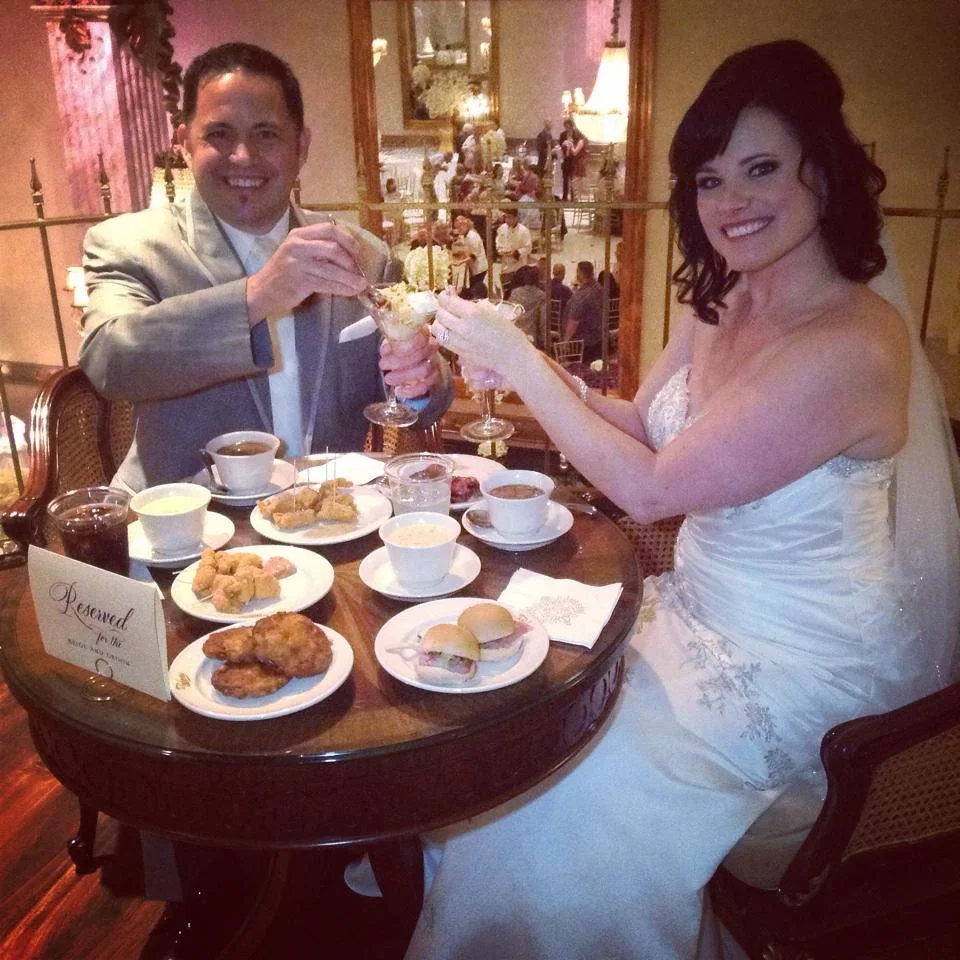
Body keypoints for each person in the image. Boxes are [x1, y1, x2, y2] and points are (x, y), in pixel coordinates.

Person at [412, 40, 960, 959]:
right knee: (501, 726)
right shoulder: (728, 300)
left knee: (549, 808)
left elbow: (652, 487)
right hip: (690, 606)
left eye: (760, 170)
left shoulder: (856, 347)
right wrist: (545, 372)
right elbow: (646, 423)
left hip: (797, 662)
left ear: (821, 170)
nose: (731, 204)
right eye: (709, 180)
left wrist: (516, 362)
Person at [79, 43, 451, 494]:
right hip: (186, 528)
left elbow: (414, 399)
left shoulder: (362, 253)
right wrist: (257, 295)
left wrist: (419, 380)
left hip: (327, 520)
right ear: (184, 144)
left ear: (301, 146)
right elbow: (111, 363)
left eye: (266, 134)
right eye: (218, 134)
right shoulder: (129, 245)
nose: (243, 156)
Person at [562, 260, 604, 361]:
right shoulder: (600, 289)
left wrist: (565, 341)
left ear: (580, 273)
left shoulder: (581, 296)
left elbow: (573, 321)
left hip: (581, 344)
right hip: (599, 337)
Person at [494, 210, 532, 298]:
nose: (507, 220)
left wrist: (515, 253)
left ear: (516, 218)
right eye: (506, 217)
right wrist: (502, 251)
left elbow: (528, 248)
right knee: (505, 289)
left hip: (519, 265)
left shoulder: (524, 231)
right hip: (505, 264)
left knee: (517, 291)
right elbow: (498, 243)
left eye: (509, 217)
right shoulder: (501, 228)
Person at [452, 214, 488, 300]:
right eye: (456, 228)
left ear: (465, 225)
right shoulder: (465, 235)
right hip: (472, 268)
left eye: (459, 228)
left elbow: (473, 258)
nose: (458, 230)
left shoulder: (472, 236)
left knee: (475, 290)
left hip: (479, 268)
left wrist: (459, 262)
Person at [558, 116, 586, 200]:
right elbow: (560, 145)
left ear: (571, 125)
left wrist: (571, 145)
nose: (567, 128)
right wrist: (563, 145)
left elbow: (577, 148)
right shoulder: (563, 135)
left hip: (574, 159)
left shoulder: (576, 135)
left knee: (573, 179)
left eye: (568, 126)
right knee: (565, 178)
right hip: (565, 159)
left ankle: (574, 197)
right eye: (565, 126)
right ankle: (565, 196)